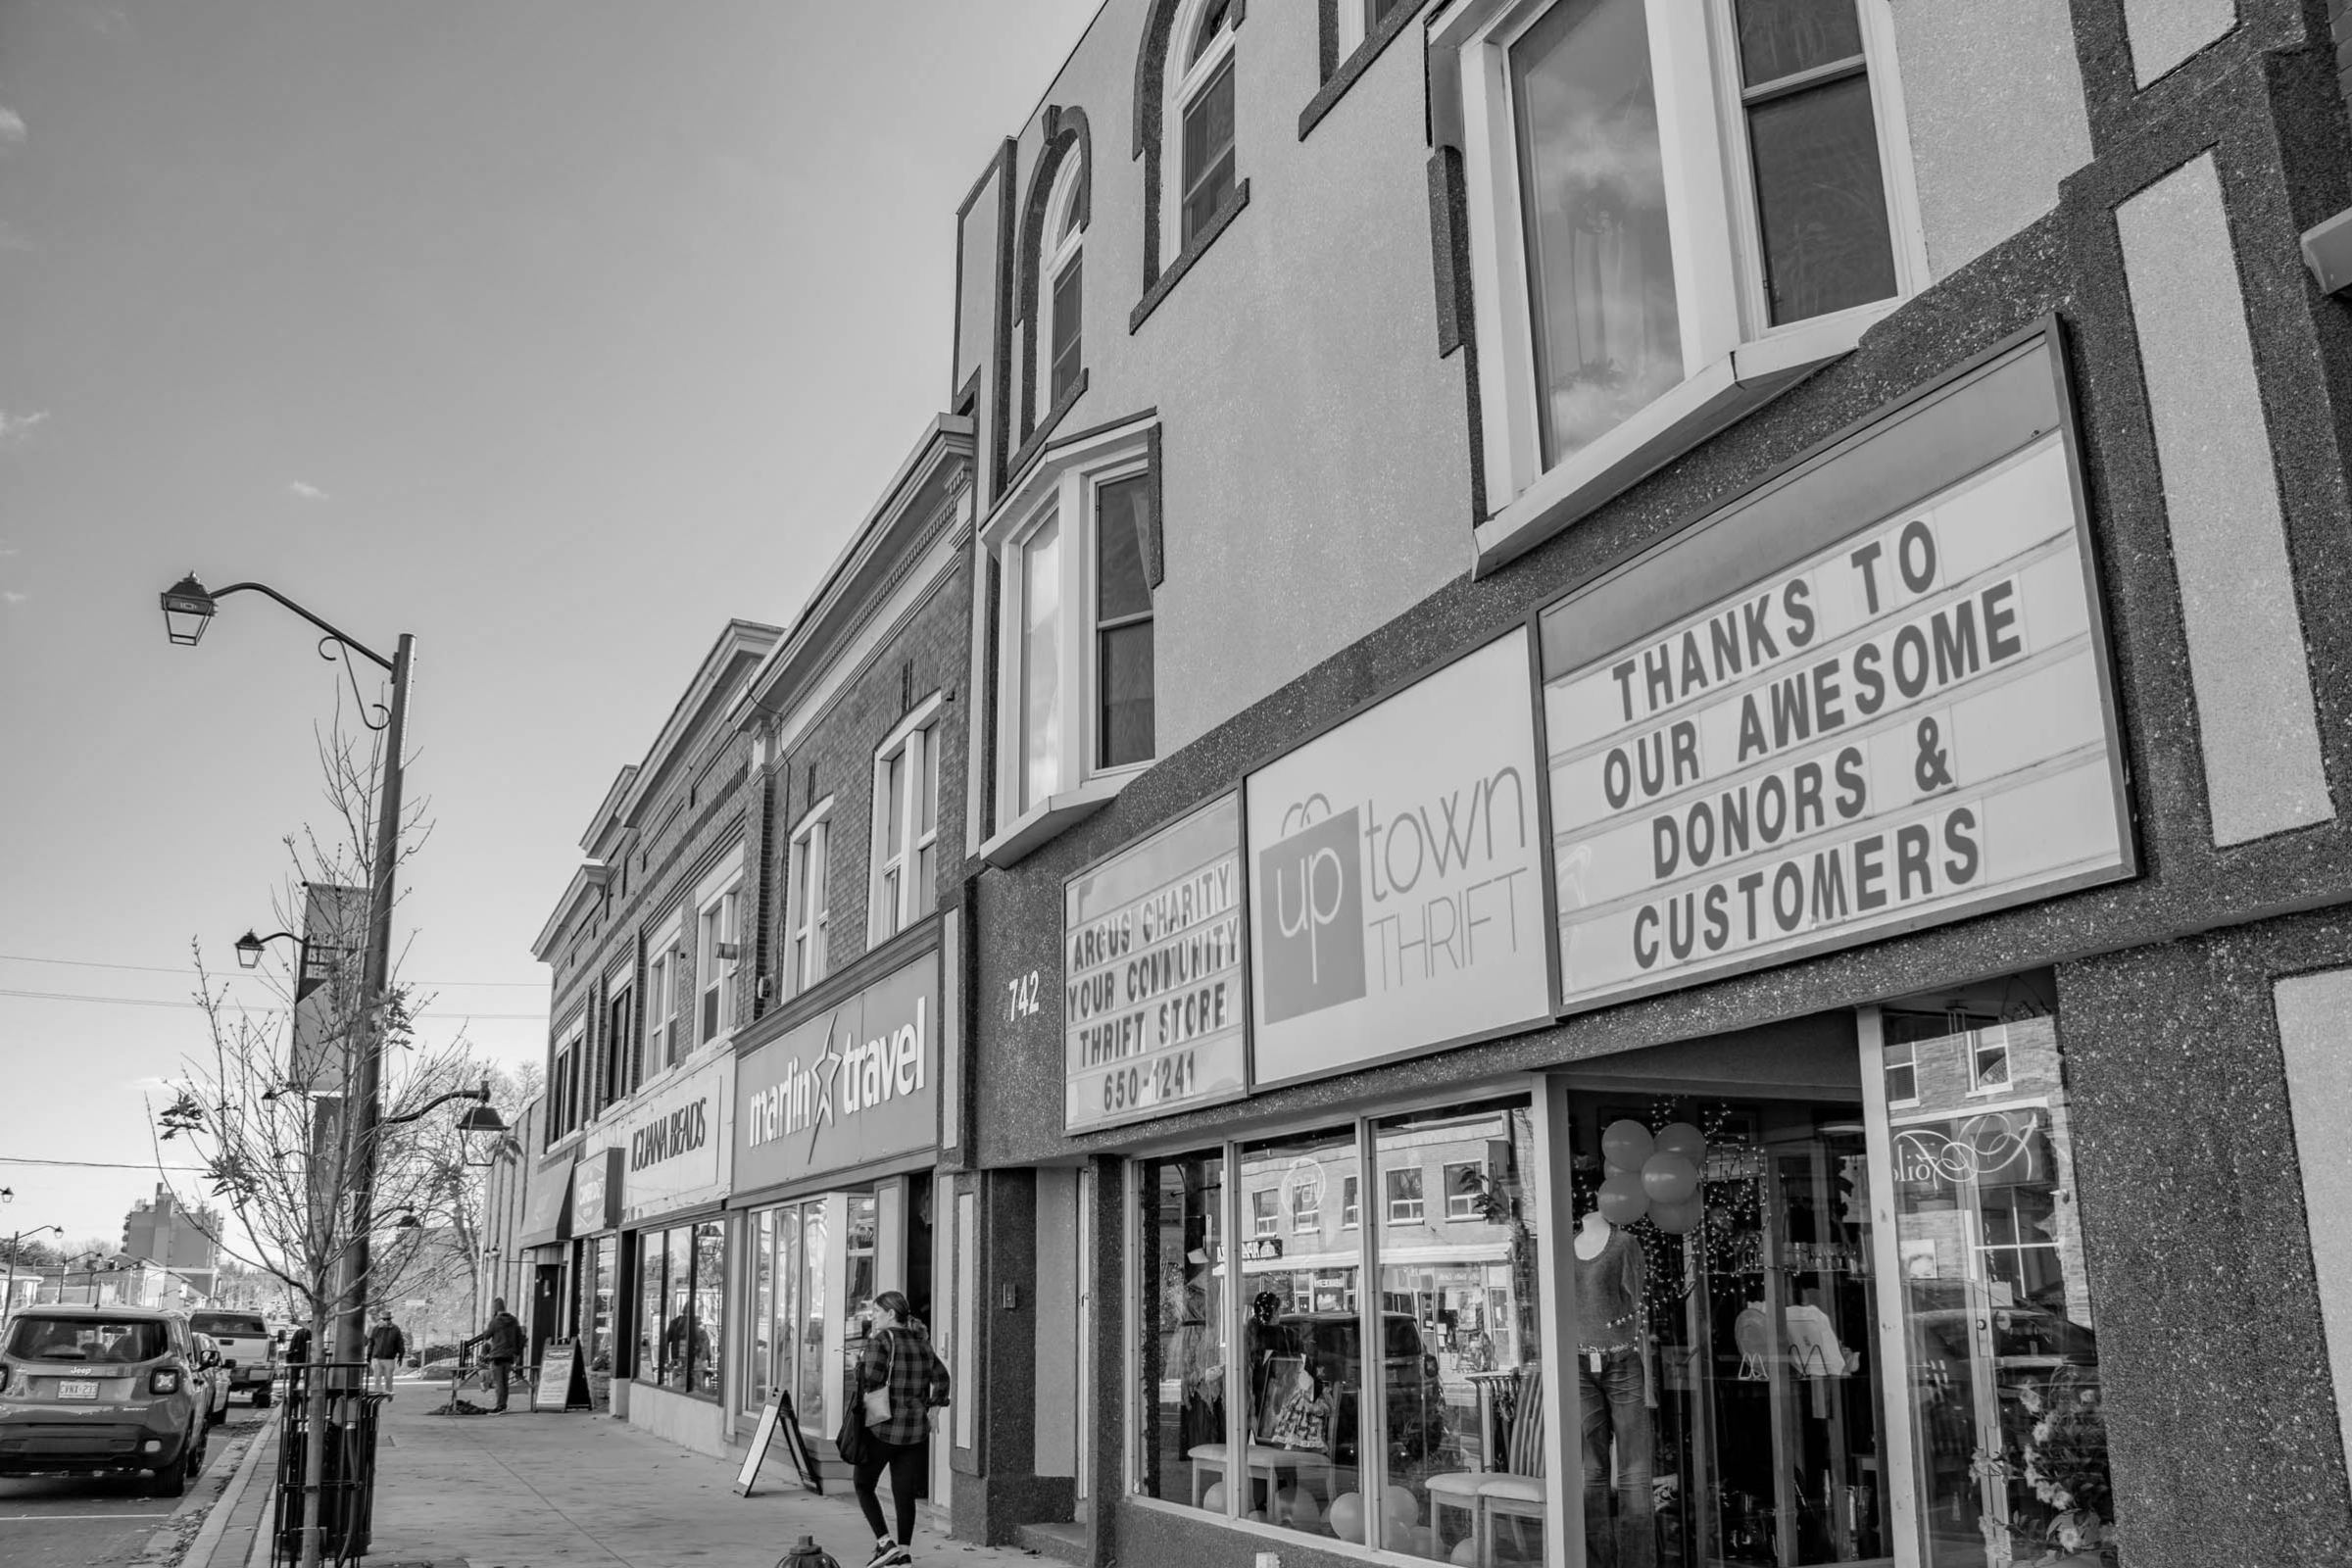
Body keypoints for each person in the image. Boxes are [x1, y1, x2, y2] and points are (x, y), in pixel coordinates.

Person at [852, 1291, 951, 1568]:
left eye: (877, 1313)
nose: (874, 1318)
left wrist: (857, 1365)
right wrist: (933, 1408)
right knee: (904, 1492)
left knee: (862, 1483)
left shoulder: (881, 1341)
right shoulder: (921, 1344)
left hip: (884, 1428)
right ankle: (904, 1554)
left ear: (891, 1314)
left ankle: (885, 1544)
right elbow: (942, 1378)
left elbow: (871, 1381)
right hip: (915, 1430)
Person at [463, 1298, 524, 1413]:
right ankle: (503, 1404)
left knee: (499, 1382)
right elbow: (520, 1337)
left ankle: (500, 1406)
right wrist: (517, 1352)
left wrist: (489, 1325)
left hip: (497, 1356)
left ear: (495, 1310)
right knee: (504, 1382)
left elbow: (486, 1335)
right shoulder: (514, 1321)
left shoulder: (496, 1322)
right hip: (509, 1356)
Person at [366, 1308, 407, 1396]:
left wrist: (401, 1355)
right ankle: (378, 1392)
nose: (386, 1321)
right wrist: (369, 1356)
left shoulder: (395, 1329)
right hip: (376, 1357)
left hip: (389, 1357)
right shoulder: (376, 1329)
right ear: (381, 1319)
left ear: (390, 1319)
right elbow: (371, 1343)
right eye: (384, 1319)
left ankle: (388, 1392)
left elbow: (400, 1342)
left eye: (388, 1319)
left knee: (388, 1377)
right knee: (377, 1377)